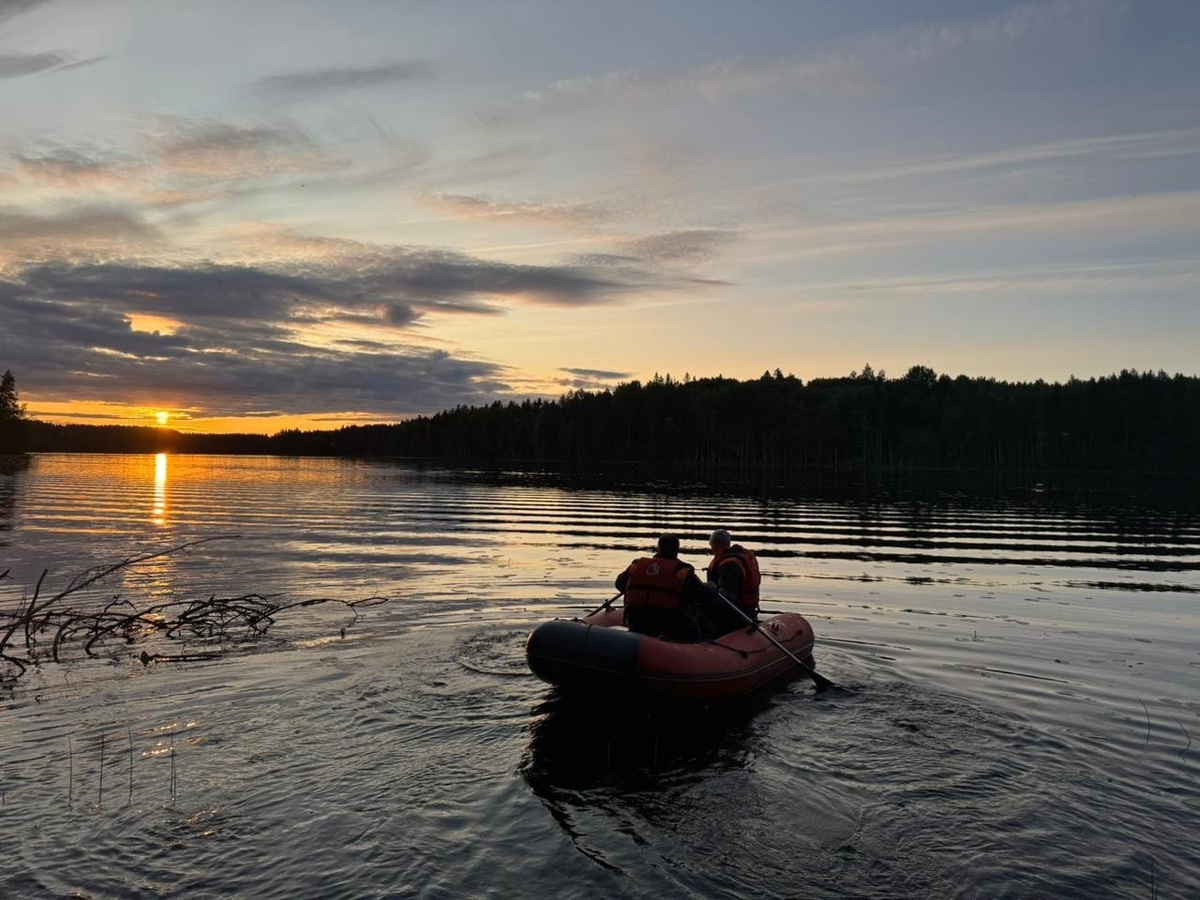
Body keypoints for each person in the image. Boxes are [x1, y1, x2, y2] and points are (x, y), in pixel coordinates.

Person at [615, 534, 712, 640]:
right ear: (676, 550)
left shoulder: (636, 566)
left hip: (637, 623)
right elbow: (703, 595)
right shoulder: (681, 571)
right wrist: (712, 588)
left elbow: (619, 584)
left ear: (658, 548)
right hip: (670, 626)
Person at [704, 528, 762, 635]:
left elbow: (727, 598)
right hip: (749, 609)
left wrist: (706, 592)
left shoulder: (730, 566)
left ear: (714, 546)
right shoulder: (739, 558)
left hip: (739, 614)